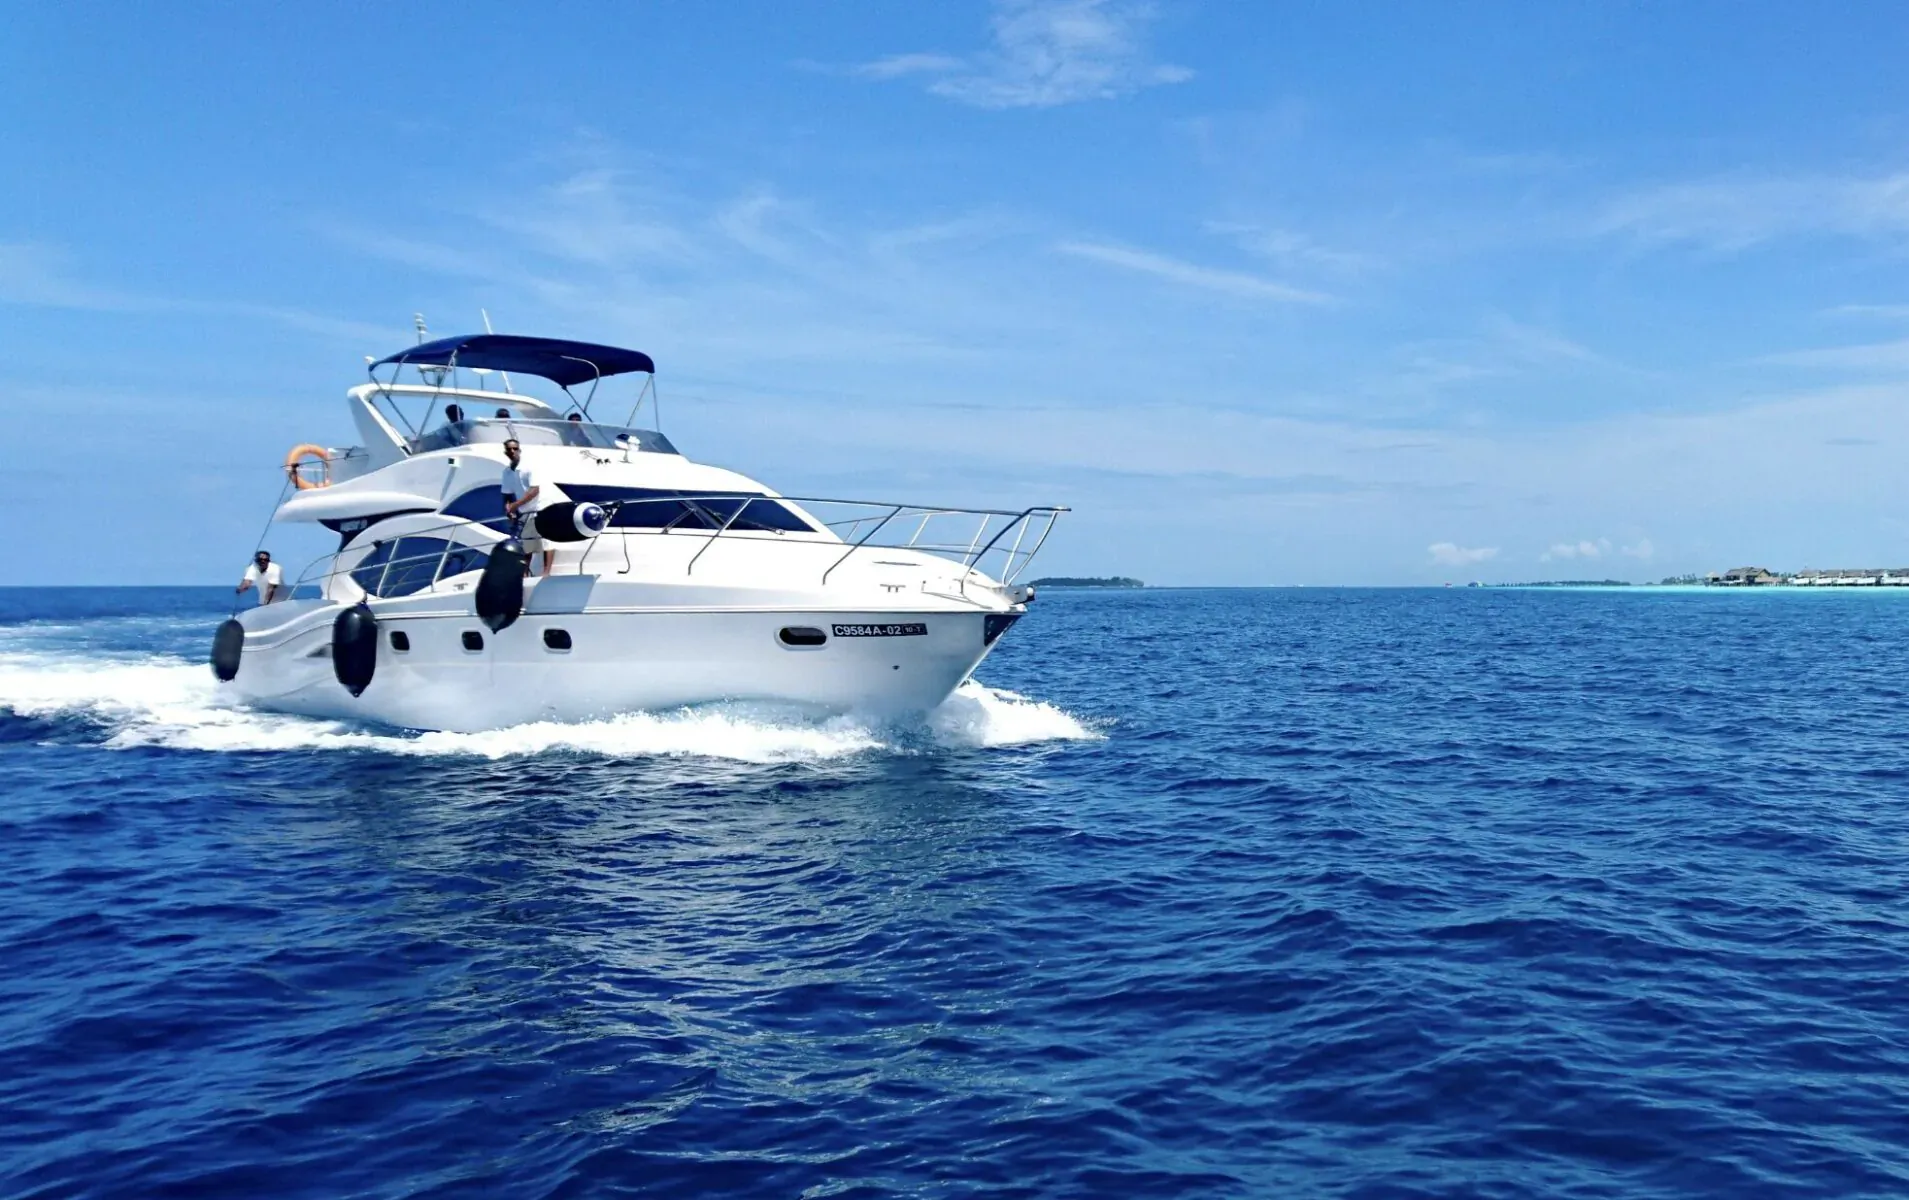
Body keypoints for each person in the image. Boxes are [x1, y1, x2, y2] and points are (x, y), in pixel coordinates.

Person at [501, 439, 554, 577]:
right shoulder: (507, 472)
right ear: (505, 452)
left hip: (540, 507)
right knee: (527, 544)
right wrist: (508, 509)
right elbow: (506, 494)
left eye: (515, 448)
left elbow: (534, 490)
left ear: (519, 450)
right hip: (525, 511)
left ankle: (546, 572)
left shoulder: (528, 467)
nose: (512, 451)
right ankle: (524, 574)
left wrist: (515, 505)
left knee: (546, 541)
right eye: (509, 449)